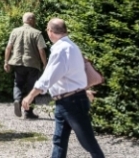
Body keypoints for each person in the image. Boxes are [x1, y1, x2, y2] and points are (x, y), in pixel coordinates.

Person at [22, 19, 105, 158]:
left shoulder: (61, 50)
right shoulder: (72, 46)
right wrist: (83, 91)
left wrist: (31, 95)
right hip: (67, 101)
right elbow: (73, 75)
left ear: (50, 32)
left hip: (71, 102)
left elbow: (49, 77)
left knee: (88, 143)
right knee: (59, 141)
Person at [5, 12, 48, 119]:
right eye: (34, 19)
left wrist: (6, 62)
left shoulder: (15, 31)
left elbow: (8, 47)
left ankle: (17, 100)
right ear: (31, 20)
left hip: (18, 63)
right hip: (32, 64)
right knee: (32, 87)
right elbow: (41, 50)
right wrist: (45, 64)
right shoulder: (37, 33)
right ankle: (28, 112)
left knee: (18, 84)